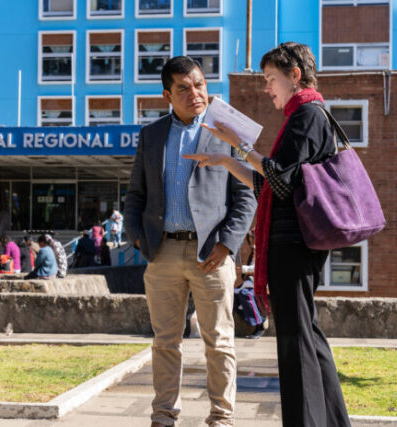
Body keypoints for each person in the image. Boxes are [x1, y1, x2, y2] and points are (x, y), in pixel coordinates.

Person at [183, 42, 351, 427]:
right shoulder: (306, 113)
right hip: (298, 243)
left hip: (293, 245)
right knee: (306, 334)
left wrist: (238, 144)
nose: (266, 88)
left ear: (295, 76)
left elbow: (279, 177)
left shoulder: (306, 114)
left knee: (295, 341)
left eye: (271, 79)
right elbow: (269, 183)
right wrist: (226, 160)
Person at [124, 55, 257, 427]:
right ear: (167, 94)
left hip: (212, 253)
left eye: (199, 84)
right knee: (166, 342)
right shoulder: (151, 135)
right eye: (183, 88)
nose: (195, 93)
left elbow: (246, 194)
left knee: (219, 341)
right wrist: (137, 238)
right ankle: (164, 416)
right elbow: (135, 193)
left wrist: (227, 244)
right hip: (162, 252)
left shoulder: (225, 129)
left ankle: (221, 417)